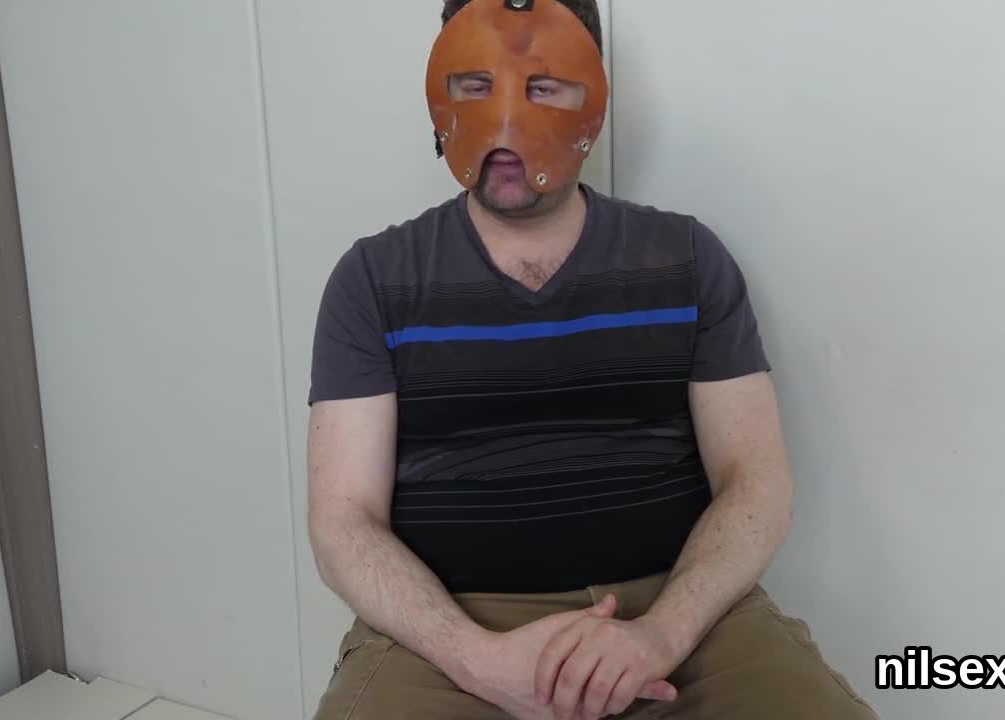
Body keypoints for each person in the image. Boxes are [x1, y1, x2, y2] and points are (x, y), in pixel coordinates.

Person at [306, 1, 878, 717]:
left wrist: (661, 635)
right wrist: (476, 658)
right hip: (448, 629)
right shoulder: (372, 279)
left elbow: (756, 481)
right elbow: (343, 521)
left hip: (676, 611)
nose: (505, 124)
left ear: (593, 102)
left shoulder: (687, 259)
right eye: (475, 85)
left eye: (542, 86)